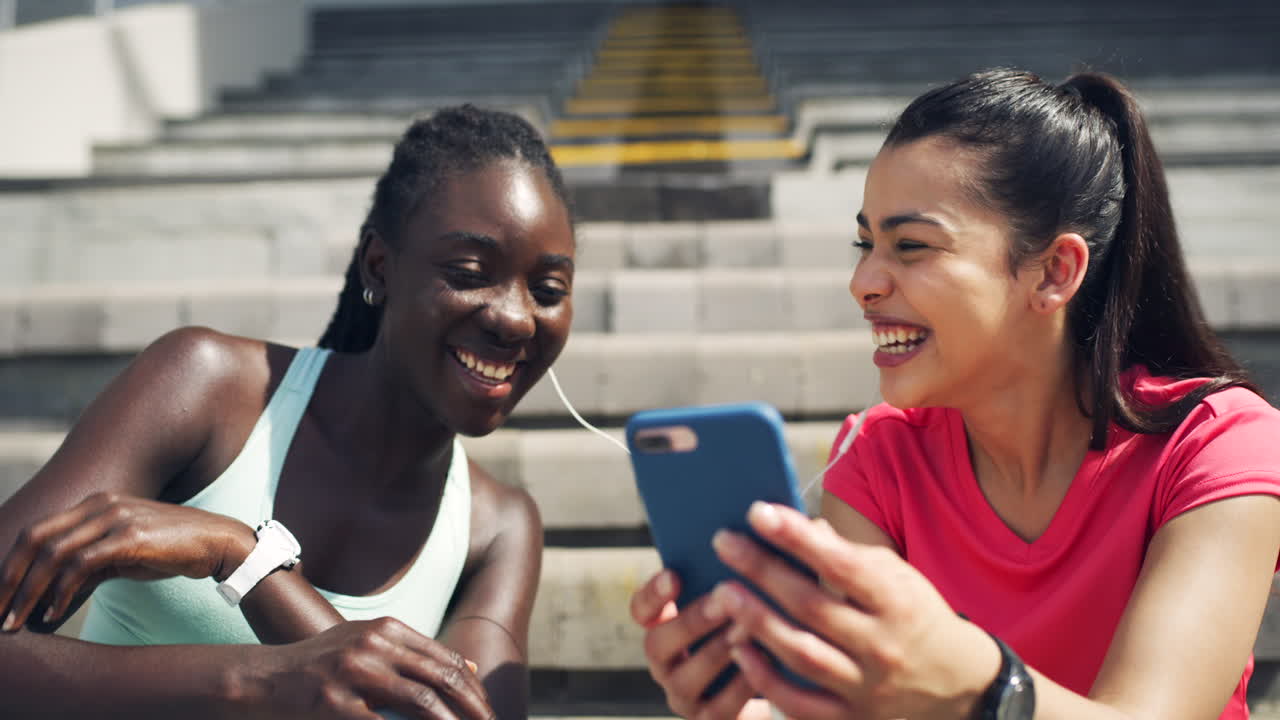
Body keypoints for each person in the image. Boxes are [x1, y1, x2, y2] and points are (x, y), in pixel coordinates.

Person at [630, 69, 1280, 720]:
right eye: (866, 244)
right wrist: (754, 709)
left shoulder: (1220, 446)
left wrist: (985, 686)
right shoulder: (875, 459)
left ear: (1055, 271)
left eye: (911, 246)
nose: (864, 283)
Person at [0, 104, 575, 719]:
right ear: (379, 266)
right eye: (468, 273)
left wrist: (247, 562)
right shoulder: (207, 388)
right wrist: (256, 680)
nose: (516, 318)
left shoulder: (498, 528)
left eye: (547, 292)